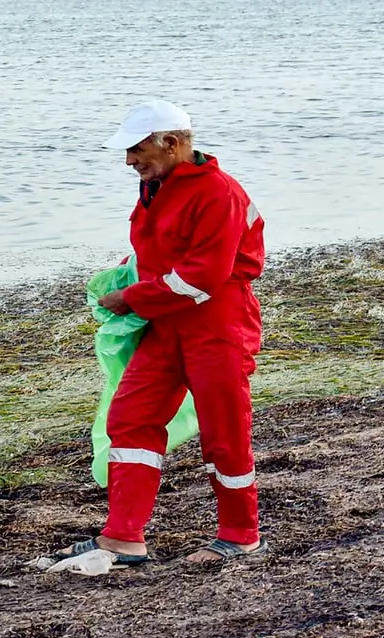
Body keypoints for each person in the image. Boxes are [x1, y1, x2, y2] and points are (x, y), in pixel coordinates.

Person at [47, 100, 268, 567]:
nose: (129, 160)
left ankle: (241, 533)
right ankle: (123, 535)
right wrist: (130, 276)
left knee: (224, 431)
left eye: (136, 149)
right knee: (128, 418)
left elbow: (205, 275)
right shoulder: (159, 186)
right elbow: (167, 255)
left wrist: (132, 299)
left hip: (218, 324)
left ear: (171, 143)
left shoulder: (217, 192)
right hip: (166, 323)